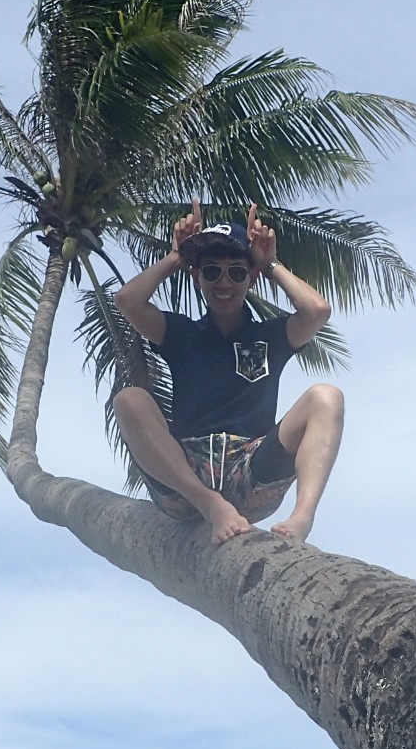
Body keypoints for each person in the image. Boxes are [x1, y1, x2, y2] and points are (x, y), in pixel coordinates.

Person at [111, 203, 345, 547]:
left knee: (327, 397)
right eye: (212, 272)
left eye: (236, 272)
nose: (224, 282)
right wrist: (177, 256)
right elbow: (127, 300)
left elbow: (317, 310)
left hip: (253, 473)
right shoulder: (181, 333)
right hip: (186, 480)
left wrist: (270, 264)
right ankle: (211, 504)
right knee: (128, 399)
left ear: (250, 278)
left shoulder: (272, 336)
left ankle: (302, 517)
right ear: (197, 276)